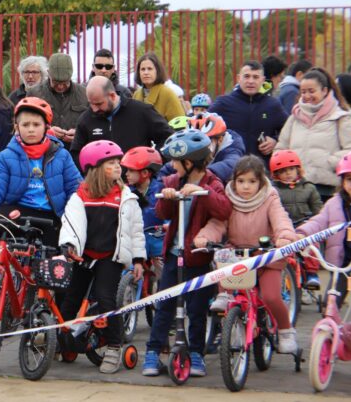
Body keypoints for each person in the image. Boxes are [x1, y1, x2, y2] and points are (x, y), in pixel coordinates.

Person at [143, 129, 232, 378]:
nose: (171, 166)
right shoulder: (172, 181)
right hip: (174, 255)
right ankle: (153, 351)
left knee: (196, 307)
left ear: (189, 162)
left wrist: (204, 195)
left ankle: (195, 353)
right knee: (165, 304)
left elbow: (224, 209)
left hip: (198, 257)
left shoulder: (212, 183)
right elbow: (161, 212)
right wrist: (169, 197)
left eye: (174, 161)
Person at [196, 155, 299, 354]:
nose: (245, 187)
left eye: (252, 182)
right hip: (238, 255)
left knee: (270, 296)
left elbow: (281, 219)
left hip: (266, 256)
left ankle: (286, 330)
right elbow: (217, 223)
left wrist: (285, 236)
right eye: (241, 181)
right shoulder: (228, 198)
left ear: (261, 182)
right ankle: (230, 315)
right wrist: (205, 236)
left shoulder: (270, 198)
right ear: (234, 181)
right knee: (224, 278)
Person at [59, 140, 145, 374]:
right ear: (94, 168)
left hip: (111, 256)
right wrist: (69, 245)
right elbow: (71, 223)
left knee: (107, 300)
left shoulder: (125, 196)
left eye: (119, 162)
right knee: (70, 299)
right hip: (85, 256)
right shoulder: (81, 195)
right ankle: (61, 338)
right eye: (111, 163)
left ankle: (114, 346)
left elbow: (136, 230)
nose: (119, 167)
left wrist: (138, 259)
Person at [0, 97, 82, 258]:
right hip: (18, 210)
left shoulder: (62, 155)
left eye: (36, 124)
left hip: (51, 214)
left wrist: (74, 213)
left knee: (52, 264)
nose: (31, 129)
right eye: (25, 125)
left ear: (47, 127)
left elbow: (75, 187)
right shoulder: (5, 156)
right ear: (16, 127)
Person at [296, 150, 351, 340]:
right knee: (331, 300)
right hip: (340, 263)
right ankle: (331, 333)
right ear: (342, 181)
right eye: (349, 179)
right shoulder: (334, 203)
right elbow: (319, 221)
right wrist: (301, 233)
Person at [275, 68, 351, 200]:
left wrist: (330, 162)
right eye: (303, 92)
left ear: (324, 91)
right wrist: (286, 168)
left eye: (311, 91)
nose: (307, 96)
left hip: (327, 191)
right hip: (295, 190)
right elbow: (281, 148)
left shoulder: (340, 118)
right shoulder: (294, 118)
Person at [71, 76, 172, 164]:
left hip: (137, 182)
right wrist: (91, 174)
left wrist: (153, 162)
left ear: (112, 96)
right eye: (90, 103)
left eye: (98, 104)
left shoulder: (141, 111)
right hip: (101, 184)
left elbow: (169, 139)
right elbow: (76, 153)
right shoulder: (86, 119)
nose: (94, 109)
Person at [208, 60, 289, 161]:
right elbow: (204, 126)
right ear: (238, 78)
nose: (251, 81)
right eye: (246, 76)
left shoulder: (272, 105)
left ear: (263, 80)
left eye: (255, 77)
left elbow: (288, 129)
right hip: (229, 170)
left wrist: (275, 141)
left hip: (262, 171)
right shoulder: (223, 104)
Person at [269, 149, 323, 289]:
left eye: (291, 169)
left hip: (303, 224)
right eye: (283, 170)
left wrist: (318, 224)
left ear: (298, 169)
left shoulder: (308, 188)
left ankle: (311, 274)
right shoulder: (273, 189)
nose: (288, 173)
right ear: (276, 174)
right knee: (284, 248)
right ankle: (287, 277)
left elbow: (318, 211)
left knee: (311, 244)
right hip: (283, 226)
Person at [158, 112, 245, 183]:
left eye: (207, 141)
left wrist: (200, 175)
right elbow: (165, 172)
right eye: (195, 142)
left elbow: (232, 163)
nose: (200, 146)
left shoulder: (231, 147)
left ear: (220, 140)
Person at [27, 52, 87, 144]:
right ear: (48, 73)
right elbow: (25, 124)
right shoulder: (34, 93)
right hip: (44, 151)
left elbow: (93, 125)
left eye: (65, 82)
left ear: (71, 76)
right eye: (55, 81)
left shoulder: (84, 94)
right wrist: (47, 131)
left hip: (75, 151)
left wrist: (80, 134)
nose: (60, 86)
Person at [120, 146, 165, 258]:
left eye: (131, 170)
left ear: (145, 173)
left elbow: (170, 215)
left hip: (158, 245)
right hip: (134, 247)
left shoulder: (162, 190)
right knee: (129, 274)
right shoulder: (125, 192)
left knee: (162, 271)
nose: (126, 174)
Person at [133, 52, 185, 122]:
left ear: (157, 71)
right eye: (142, 69)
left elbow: (180, 125)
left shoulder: (168, 94)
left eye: (150, 69)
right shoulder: (136, 95)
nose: (146, 72)